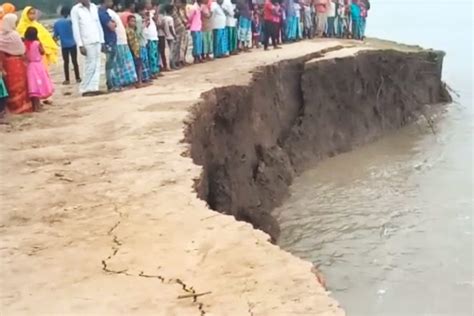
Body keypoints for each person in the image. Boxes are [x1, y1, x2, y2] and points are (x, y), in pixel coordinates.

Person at [71, 0, 105, 96]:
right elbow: (76, 28)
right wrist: (80, 44)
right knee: (89, 65)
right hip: (87, 42)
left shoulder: (94, 7)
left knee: (98, 64)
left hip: (97, 39)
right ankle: (85, 88)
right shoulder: (76, 9)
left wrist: (102, 40)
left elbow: (98, 24)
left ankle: (94, 87)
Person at [0, 13, 32, 114]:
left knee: (10, 86)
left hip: (6, 63)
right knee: (20, 85)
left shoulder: (1, 36)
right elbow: (21, 50)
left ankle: (12, 108)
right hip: (17, 63)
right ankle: (22, 107)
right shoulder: (14, 35)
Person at [24, 27, 54, 111]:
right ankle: (38, 107)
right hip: (38, 66)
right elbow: (42, 52)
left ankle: (34, 106)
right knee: (39, 85)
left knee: (33, 86)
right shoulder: (37, 43)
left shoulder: (25, 44)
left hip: (30, 66)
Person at [108, 6, 138, 87]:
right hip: (118, 41)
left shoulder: (112, 12)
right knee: (120, 63)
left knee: (126, 62)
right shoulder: (107, 13)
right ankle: (120, 83)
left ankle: (129, 81)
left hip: (122, 41)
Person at [54, 6, 81, 85]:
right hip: (73, 44)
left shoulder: (57, 23)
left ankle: (67, 79)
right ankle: (78, 78)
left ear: (61, 13)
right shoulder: (72, 22)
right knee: (75, 61)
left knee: (66, 62)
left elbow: (55, 35)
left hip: (64, 45)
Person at [99, 0, 121, 92]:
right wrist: (114, 23)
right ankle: (111, 85)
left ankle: (111, 84)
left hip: (109, 41)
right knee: (110, 65)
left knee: (110, 64)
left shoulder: (102, 12)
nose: (112, 3)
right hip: (109, 41)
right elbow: (112, 26)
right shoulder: (103, 13)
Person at [125, 14, 146, 86]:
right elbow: (130, 42)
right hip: (134, 51)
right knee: (138, 66)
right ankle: (139, 82)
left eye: (134, 21)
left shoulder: (133, 30)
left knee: (139, 65)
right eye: (132, 21)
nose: (133, 23)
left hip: (136, 50)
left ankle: (139, 81)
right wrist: (133, 52)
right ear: (128, 22)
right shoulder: (129, 31)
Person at [135, 3, 152, 82]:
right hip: (140, 42)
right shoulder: (138, 19)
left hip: (142, 41)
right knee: (142, 61)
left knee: (143, 61)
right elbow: (138, 32)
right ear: (139, 10)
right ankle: (143, 79)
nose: (145, 11)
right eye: (143, 10)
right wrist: (144, 25)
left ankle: (144, 78)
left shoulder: (139, 18)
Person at [144, 0, 160, 77]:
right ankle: (153, 71)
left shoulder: (151, 13)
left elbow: (156, 20)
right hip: (149, 37)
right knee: (152, 55)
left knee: (155, 54)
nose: (150, 5)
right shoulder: (145, 13)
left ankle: (156, 69)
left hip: (154, 36)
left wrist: (156, 11)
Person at [171, 0, 188, 67]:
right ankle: (175, 62)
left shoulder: (180, 10)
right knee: (176, 48)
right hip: (176, 31)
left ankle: (180, 60)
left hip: (182, 30)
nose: (179, 4)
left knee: (181, 47)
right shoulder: (172, 10)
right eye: (178, 2)